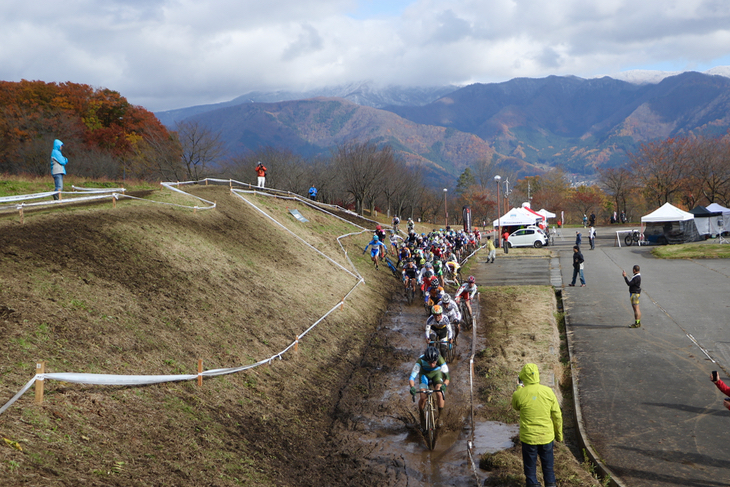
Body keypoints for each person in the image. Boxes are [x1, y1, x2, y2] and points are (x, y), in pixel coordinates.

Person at [511, 363, 563, 487]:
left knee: (530, 471)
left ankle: (533, 484)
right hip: (546, 437)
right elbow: (557, 415)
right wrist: (559, 435)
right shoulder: (548, 392)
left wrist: (519, 388)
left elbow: (516, 406)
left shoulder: (519, 394)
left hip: (529, 439)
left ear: (523, 377)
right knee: (548, 468)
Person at [409, 346, 450, 417]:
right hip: (424, 374)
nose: (432, 365)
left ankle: (440, 417)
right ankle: (421, 415)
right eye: (429, 362)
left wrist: (444, 385)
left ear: (437, 359)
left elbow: (447, 377)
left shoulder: (440, 359)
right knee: (423, 397)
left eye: (434, 362)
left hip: (436, 374)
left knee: (439, 393)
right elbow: (412, 377)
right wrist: (412, 387)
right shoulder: (421, 360)